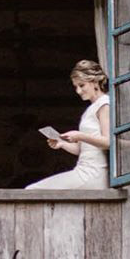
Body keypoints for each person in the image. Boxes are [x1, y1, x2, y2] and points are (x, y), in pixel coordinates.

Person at [26, 58, 110, 190]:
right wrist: (62, 143)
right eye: (76, 86)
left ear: (94, 81)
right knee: (33, 190)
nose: (78, 91)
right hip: (84, 171)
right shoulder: (91, 108)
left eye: (82, 85)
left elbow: (108, 142)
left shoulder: (104, 103)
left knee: (33, 190)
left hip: (93, 173)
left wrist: (80, 135)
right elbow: (82, 150)